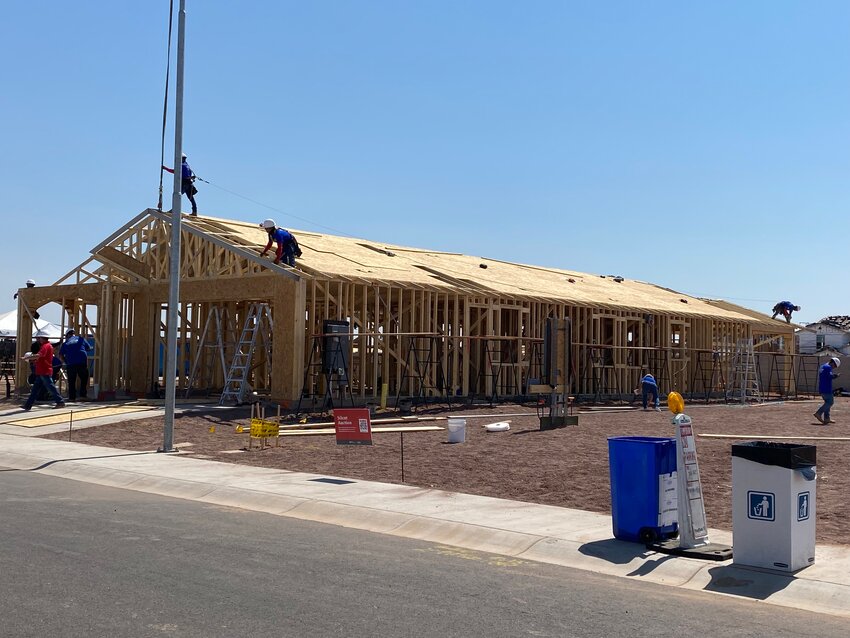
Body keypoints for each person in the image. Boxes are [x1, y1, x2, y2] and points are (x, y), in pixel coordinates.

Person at [22, 330, 65, 410]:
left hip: (44, 371)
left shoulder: (45, 346)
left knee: (50, 387)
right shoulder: (47, 346)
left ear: (43, 338)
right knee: (35, 389)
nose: (38, 339)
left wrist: (27, 357)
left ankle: (60, 402)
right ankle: (28, 405)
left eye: (39, 338)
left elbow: (39, 355)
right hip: (42, 371)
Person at [59, 328, 90, 402]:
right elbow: (88, 348)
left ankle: (72, 397)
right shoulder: (81, 339)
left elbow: (60, 355)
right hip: (82, 362)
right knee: (84, 379)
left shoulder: (65, 343)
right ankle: (83, 395)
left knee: (71, 381)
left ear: (67, 335)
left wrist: (65, 362)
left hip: (71, 363)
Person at [814, 357, 840, 424]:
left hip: (822, 388)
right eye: (834, 366)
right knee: (830, 402)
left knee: (827, 403)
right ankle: (818, 413)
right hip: (826, 388)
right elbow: (829, 377)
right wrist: (836, 376)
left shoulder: (823, 366)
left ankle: (827, 418)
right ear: (833, 363)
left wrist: (833, 375)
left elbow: (826, 376)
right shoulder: (828, 367)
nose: (834, 368)